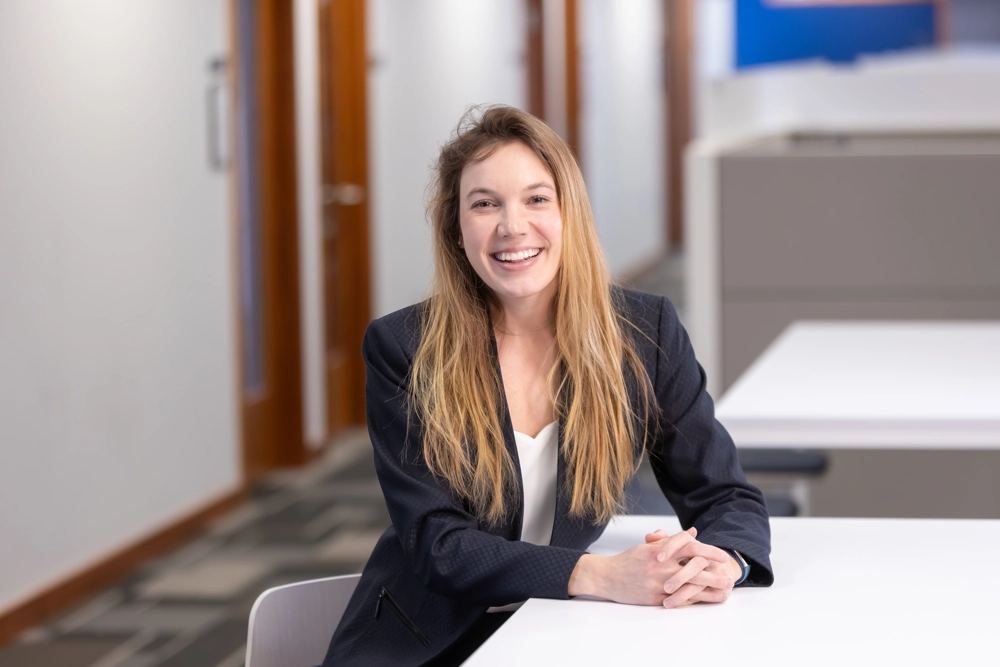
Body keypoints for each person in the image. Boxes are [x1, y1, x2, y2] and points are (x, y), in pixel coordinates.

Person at [322, 106, 772, 666]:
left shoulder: (643, 333)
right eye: (485, 204)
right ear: (457, 231)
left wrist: (728, 560)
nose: (513, 226)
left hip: (561, 627)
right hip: (425, 641)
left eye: (537, 199)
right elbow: (439, 547)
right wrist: (602, 574)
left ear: (570, 215)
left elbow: (723, 493)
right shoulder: (404, 347)